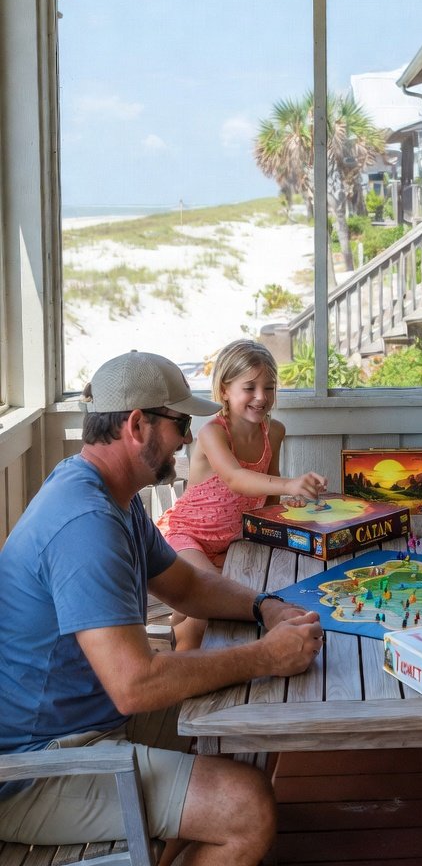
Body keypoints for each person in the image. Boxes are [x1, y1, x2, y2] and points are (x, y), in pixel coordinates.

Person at [0, 350, 325, 866]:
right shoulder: (85, 523)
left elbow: (186, 585)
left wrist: (267, 608)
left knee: (258, 723)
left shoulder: (111, 496)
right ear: (136, 425)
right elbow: (135, 684)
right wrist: (267, 656)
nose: (188, 437)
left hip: (90, 723)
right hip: (39, 766)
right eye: (179, 423)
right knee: (248, 806)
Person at [158, 338, 328, 649]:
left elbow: (270, 492)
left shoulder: (274, 431)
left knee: (260, 590)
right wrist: (291, 483)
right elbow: (237, 479)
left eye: (269, 387)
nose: (261, 397)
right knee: (209, 602)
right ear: (224, 389)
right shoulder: (213, 432)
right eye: (249, 387)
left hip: (236, 540)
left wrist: (291, 504)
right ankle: (182, 654)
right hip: (188, 535)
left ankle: (182, 623)